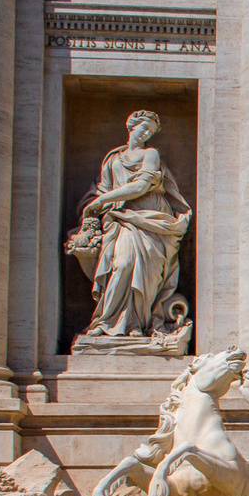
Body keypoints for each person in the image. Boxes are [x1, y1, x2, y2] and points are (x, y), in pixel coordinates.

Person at [71, 110, 192, 338]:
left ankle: (137, 323)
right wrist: (99, 205)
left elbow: (140, 187)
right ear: (131, 125)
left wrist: (102, 201)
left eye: (151, 131)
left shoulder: (151, 154)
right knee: (123, 263)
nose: (146, 133)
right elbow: (104, 189)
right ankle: (106, 321)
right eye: (143, 127)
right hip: (119, 219)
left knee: (146, 272)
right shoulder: (113, 158)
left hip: (150, 219)